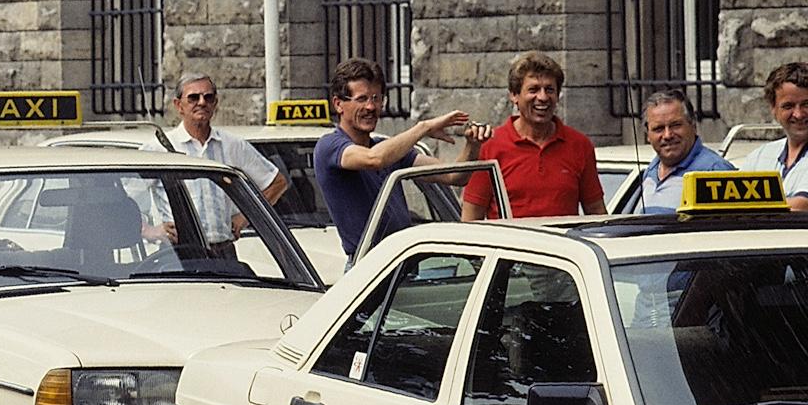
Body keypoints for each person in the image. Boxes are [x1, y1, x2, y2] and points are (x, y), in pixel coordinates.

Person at [313, 57, 490, 259]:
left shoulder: (385, 146)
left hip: (402, 261)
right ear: (338, 104)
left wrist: (472, 144)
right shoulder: (330, 146)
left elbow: (454, 176)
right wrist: (423, 128)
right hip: (368, 262)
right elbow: (374, 159)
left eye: (376, 99)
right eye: (362, 99)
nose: (371, 107)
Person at [143, 73, 288, 247]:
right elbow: (120, 195)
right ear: (178, 105)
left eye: (208, 97)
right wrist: (148, 230)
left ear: (215, 103)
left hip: (223, 249)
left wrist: (245, 217)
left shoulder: (232, 145)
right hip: (178, 253)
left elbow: (277, 183)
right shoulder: (158, 148)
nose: (202, 102)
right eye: (193, 98)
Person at [461, 51, 605, 220]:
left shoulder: (580, 145)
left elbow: (596, 213)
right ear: (514, 95)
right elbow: (471, 217)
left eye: (549, 89)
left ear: (558, 95)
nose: (543, 97)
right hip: (507, 245)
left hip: (564, 246)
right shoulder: (489, 146)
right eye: (533, 89)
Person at [739, 61, 808, 212]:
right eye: (788, 106)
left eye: (807, 104)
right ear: (773, 108)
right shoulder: (759, 156)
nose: (798, 114)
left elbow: (802, 208)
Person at [635, 90, 733, 214]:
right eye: (658, 129)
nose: (667, 135)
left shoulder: (715, 171)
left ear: (693, 126)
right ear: (647, 135)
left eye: (675, 125)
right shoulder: (651, 171)